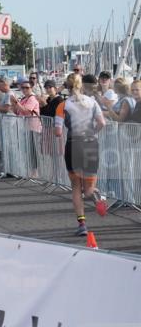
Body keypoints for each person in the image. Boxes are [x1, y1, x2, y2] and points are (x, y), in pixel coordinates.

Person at [54, 73, 107, 236]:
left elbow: (57, 132)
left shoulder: (63, 105)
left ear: (67, 87)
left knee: (76, 187)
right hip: (90, 143)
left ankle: (82, 224)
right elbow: (102, 123)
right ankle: (96, 196)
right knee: (88, 190)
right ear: (81, 86)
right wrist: (92, 132)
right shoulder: (92, 102)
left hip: (73, 145)